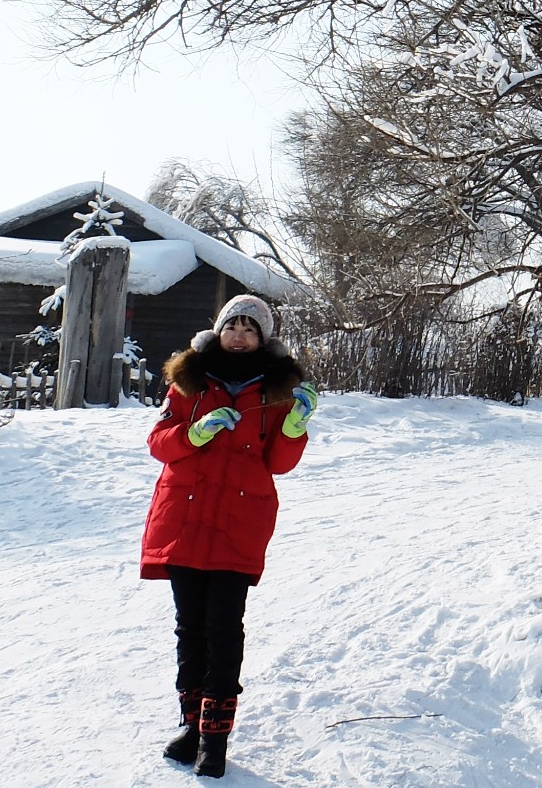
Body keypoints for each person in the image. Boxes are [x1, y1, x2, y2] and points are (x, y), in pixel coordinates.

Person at [141, 295, 317, 777]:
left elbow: (279, 462)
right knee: (189, 628)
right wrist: (194, 434)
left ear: (264, 338)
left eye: (250, 328)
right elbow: (159, 442)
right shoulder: (188, 382)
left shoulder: (278, 390)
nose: (239, 334)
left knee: (224, 628)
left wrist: (296, 426)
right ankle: (192, 726)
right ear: (218, 330)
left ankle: (215, 741)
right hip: (185, 518)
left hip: (239, 522)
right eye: (232, 325)